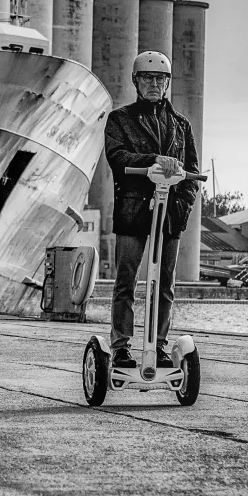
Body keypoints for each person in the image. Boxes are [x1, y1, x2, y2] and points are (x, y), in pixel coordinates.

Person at [104, 50, 199, 369]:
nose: (154, 84)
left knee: (165, 283)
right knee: (126, 280)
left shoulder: (181, 125)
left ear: (168, 82)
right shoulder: (119, 119)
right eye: (147, 78)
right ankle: (120, 346)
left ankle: (158, 345)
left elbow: (192, 172)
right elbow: (117, 158)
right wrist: (153, 161)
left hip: (170, 213)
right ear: (136, 81)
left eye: (160, 78)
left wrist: (183, 207)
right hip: (133, 211)